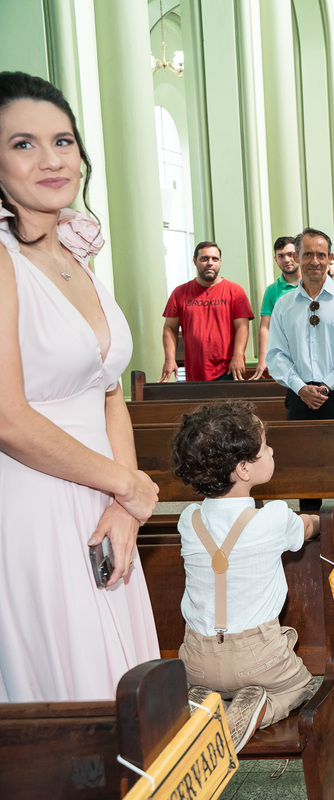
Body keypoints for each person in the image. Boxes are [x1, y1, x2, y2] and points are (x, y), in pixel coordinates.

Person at [0, 70, 160, 702]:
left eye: (62, 140)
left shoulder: (74, 254)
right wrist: (128, 484)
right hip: (34, 499)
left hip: (101, 501)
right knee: (72, 694)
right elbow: (8, 419)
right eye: (22, 144)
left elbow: (108, 391)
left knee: (124, 691)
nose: (50, 158)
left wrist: (124, 505)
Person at [170, 402, 319, 753]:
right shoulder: (275, 519)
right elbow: (308, 527)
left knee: (215, 677)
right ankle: (261, 708)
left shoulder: (188, 520)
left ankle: (206, 702)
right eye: (264, 447)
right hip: (259, 656)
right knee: (302, 687)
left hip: (194, 659)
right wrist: (312, 520)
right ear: (244, 469)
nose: (271, 450)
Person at [264, 227, 334, 517]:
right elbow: (276, 355)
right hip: (299, 397)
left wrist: (325, 385)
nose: (314, 261)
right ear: (297, 257)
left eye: (321, 255)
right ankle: (307, 544)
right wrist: (300, 387)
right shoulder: (284, 305)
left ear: (330, 258)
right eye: (307, 254)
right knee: (304, 474)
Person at [160, 241, 254, 381]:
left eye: (214, 259)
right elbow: (169, 328)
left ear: (220, 262)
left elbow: (242, 326)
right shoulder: (180, 293)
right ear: (195, 261)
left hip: (227, 368)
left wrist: (238, 356)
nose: (210, 263)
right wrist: (169, 359)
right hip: (195, 370)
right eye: (204, 259)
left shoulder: (235, 291)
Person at [251, 236, 300, 380]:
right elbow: (265, 327)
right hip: (285, 357)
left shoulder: (313, 282)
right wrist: (262, 359)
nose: (286, 260)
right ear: (275, 259)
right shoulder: (272, 290)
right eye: (281, 256)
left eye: (290, 254)